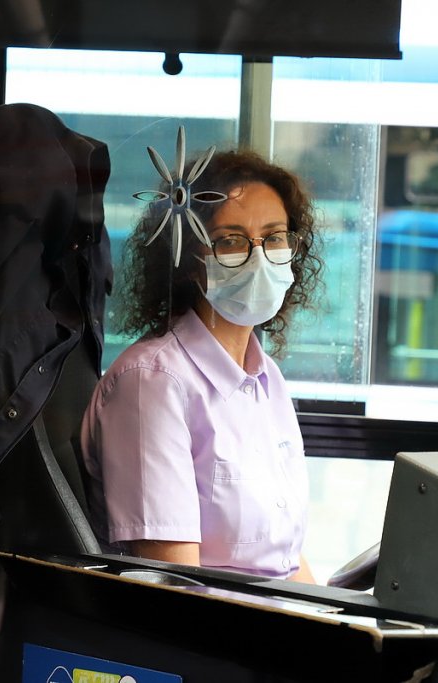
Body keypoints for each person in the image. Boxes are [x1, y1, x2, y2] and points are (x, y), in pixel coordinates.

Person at [80, 148, 323, 582]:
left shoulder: (268, 379)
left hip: (280, 622)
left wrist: (341, 621)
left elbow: (285, 560)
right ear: (191, 260)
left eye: (275, 237)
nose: (260, 257)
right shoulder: (151, 383)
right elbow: (174, 584)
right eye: (231, 240)